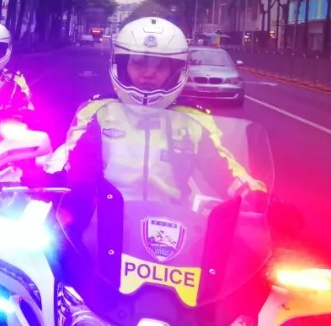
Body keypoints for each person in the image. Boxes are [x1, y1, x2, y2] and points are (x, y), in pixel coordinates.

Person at [43, 16, 264, 204]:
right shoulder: (98, 111)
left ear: (175, 71)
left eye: (160, 65)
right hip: (103, 218)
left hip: (177, 223)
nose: (149, 73)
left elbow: (225, 170)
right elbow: (68, 155)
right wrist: (47, 177)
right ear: (123, 66)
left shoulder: (193, 120)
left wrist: (257, 195)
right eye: (139, 63)